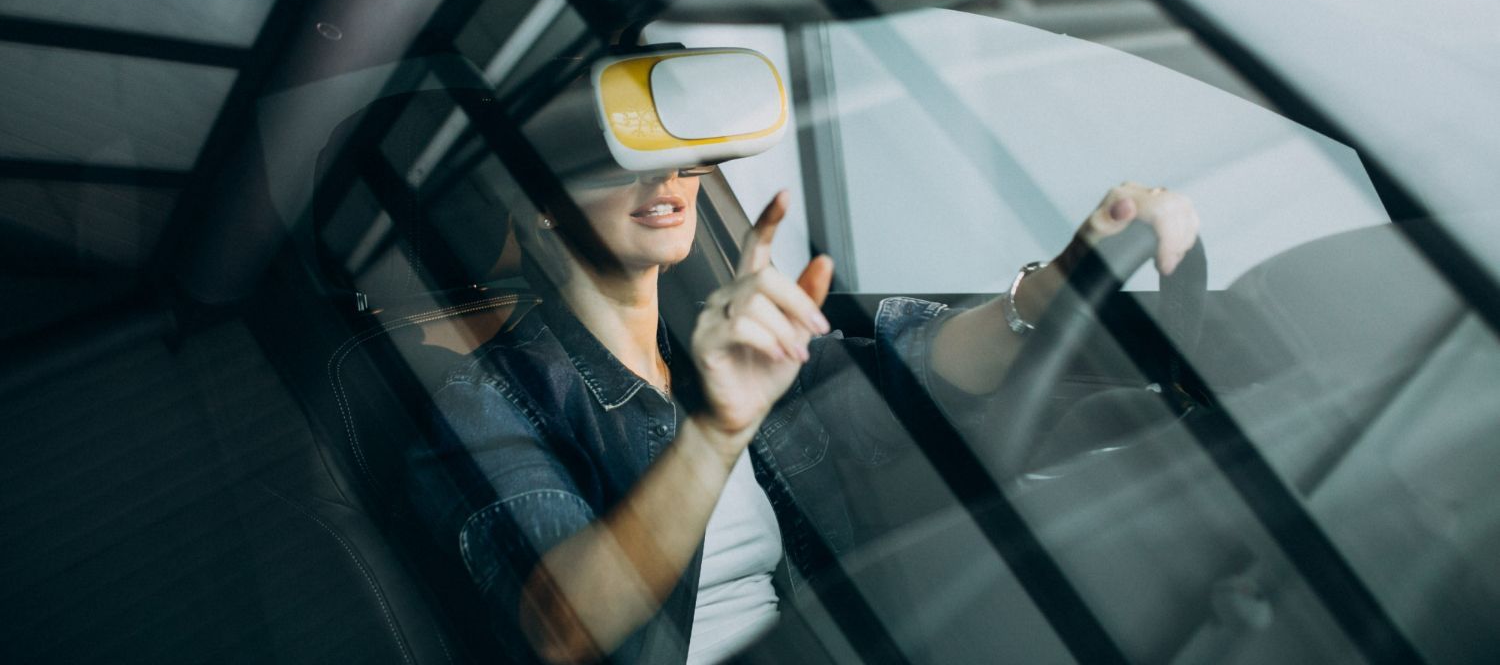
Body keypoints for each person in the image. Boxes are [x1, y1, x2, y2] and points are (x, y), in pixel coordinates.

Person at [422, 162, 1198, 665]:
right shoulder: (490, 398)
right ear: (542, 210)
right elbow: (563, 629)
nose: (661, 172)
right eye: (617, 157)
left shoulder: (718, 348)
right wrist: (718, 431)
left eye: (674, 144)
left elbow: (916, 378)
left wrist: (1048, 288)